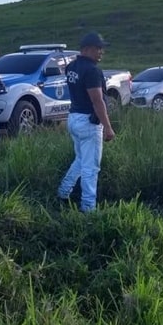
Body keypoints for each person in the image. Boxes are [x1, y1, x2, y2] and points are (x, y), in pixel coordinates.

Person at [57, 32, 115, 213]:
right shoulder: (92, 71)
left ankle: (63, 192)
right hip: (88, 123)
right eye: (98, 48)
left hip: (73, 118)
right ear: (87, 49)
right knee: (91, 168)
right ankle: (88, 209)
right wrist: (108, 127)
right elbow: (97, 101)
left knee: (81, 160)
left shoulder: (72, 67)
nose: (101, 52)